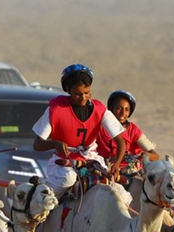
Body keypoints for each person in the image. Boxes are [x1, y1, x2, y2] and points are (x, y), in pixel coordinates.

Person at [31, 63, 127, 199]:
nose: (83, 98)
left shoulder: (100, 110)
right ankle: (39, 213)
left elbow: (120, 141)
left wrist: (116, 164)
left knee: (120, 194)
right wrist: (55, 144)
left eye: (86, 93)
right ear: (68, 90)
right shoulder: (56, 109)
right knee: (68, 179)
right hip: (63, 162)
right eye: (77, 94)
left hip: (92, 160)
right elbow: (37, 144)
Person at [97, 90, 159, 175]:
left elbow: (155, 156)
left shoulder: (133, 130)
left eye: (127, 110)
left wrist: (144, 155)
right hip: (103, 170)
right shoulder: (100, 127)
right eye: (119, 108)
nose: (123, 113)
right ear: (111, 108)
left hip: (129, 173)